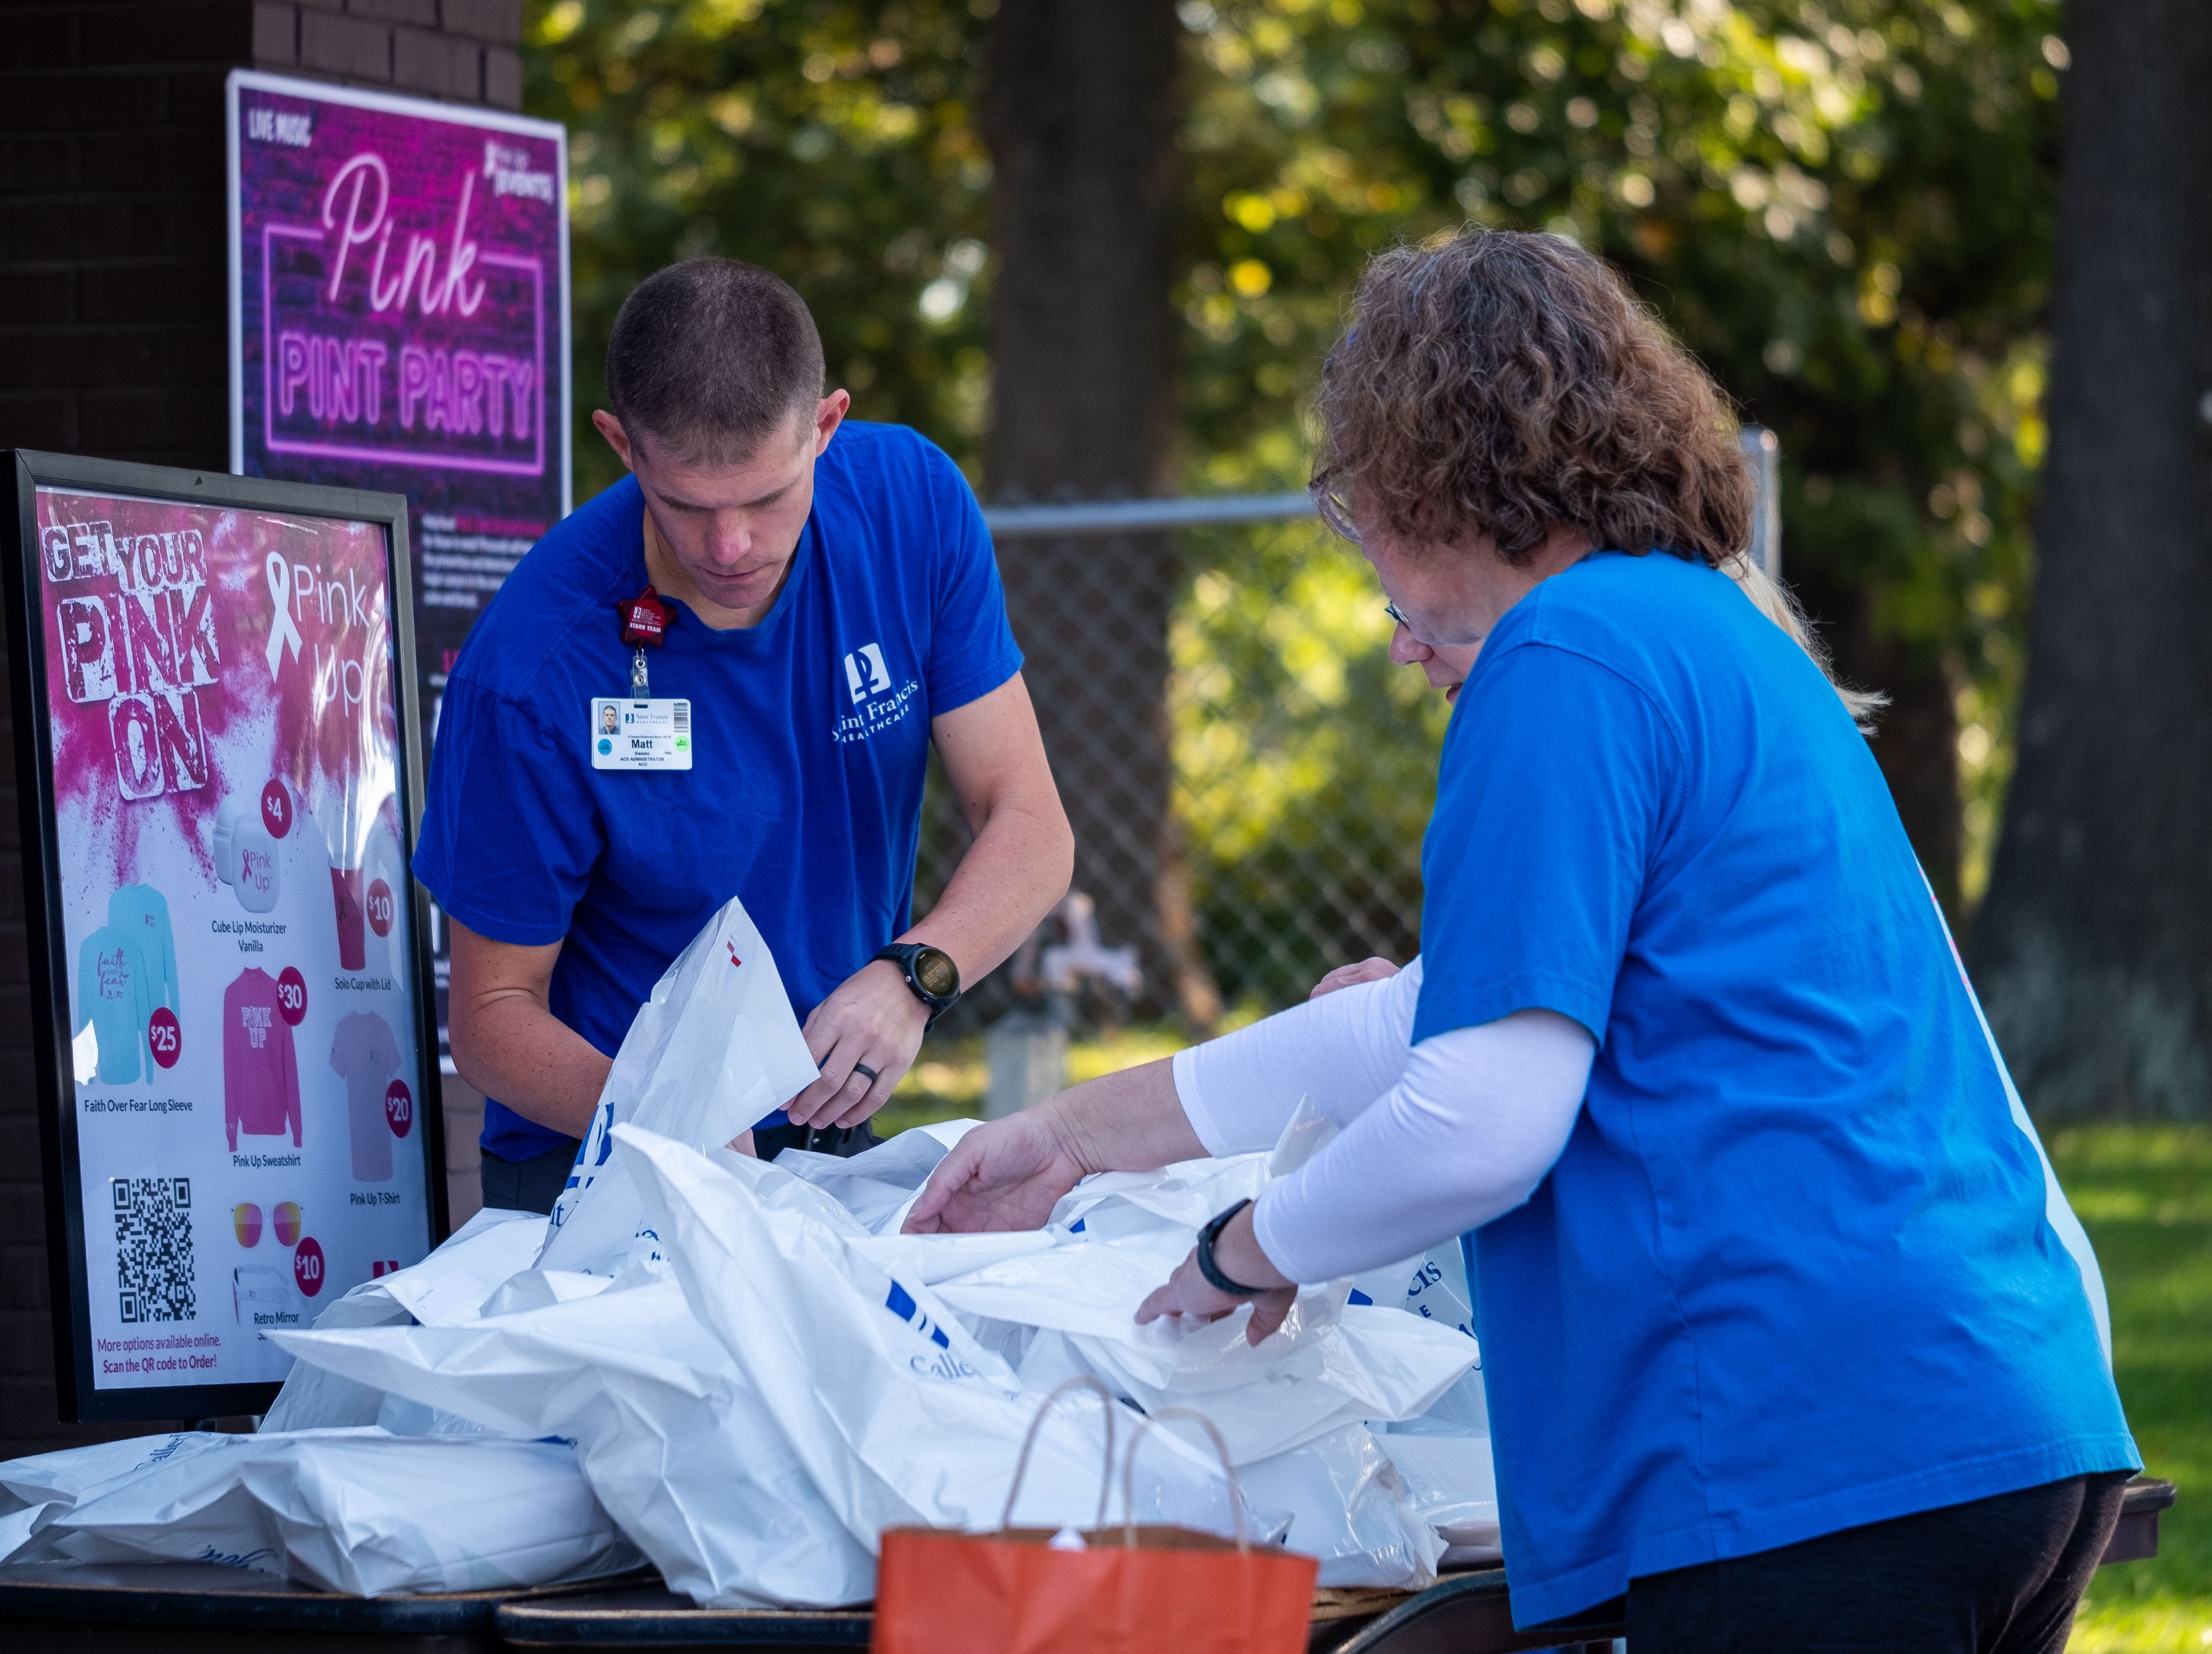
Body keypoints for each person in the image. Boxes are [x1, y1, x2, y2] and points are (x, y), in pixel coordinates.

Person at [906, 229, 2136, 1653]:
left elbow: (1477, 1116)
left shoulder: (1560, 660)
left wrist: (1245, 1248)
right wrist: (1071, 1133)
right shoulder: (1703, 629)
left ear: (1422, 477)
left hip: (1796, 1448)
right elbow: (1417, 1020)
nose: (1391, 630)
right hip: (1994, 1418)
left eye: (1366, 541)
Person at [417, 258, 1073, 1213]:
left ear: (826, 425)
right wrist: (658, 1109)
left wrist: (914, 979)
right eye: (686, 506)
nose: (731, 549)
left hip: (825, 1132)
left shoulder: (913, 509)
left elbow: (1029, 823)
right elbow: (488, 1018)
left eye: (767, 499)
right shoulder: (530, 667)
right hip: (603, 1155)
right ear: (621, 445)